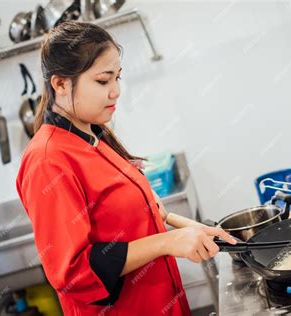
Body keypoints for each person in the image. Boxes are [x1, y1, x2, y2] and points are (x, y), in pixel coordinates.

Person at [16, 20, 236, 315]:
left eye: (118, 77)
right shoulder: (48, 160)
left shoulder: (93, 137)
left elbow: (144, 215)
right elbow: (73, 273)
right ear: (60, 84)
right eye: (103, 81)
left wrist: (193, 228)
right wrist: (167, 242)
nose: (116, 91)